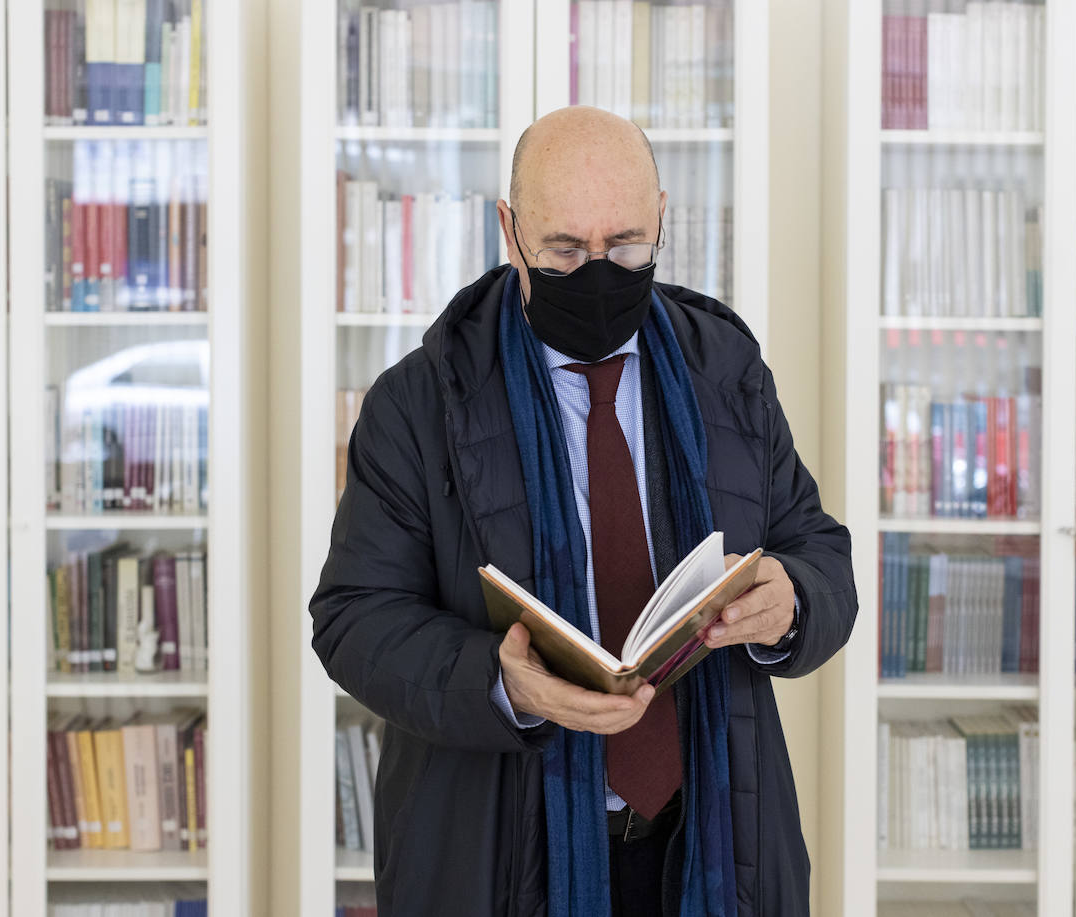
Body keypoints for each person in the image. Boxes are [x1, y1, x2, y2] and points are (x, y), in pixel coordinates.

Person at [309, 106, 857, 917]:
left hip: (710, 841)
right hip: (496, 851)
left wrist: (794, 598)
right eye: (565, 250)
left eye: (627, 244)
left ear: (664, 216)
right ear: (510, 229)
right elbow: (353, 618)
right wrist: (502, 681)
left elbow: (817, 549)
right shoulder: (416, 404)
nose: (598, 271)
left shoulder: (727, 368)